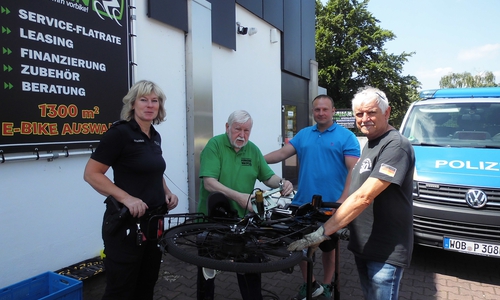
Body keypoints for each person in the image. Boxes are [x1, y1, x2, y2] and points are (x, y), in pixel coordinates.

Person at [288, 86, 415, 300]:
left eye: (371, 112)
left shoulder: (396, 146)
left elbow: (363, 196)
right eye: (359, 114)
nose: (365, 119)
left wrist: (322, 232)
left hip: (385, 250)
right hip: (364, 245)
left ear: (387, 112)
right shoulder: (371, 144)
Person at [83, 80, 179, 300]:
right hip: (126, 226)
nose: (149, 105)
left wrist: (166, 192)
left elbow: (153, 171)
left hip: (154, 223)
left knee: (146, 284)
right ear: (133, 104)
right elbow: (91, 174)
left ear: (159, 107)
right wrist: (126, 198)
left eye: (154, 101)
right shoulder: (120, 134)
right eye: (143, 100)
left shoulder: (154, 136)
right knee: (121, 289)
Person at [265, 94, 360, 300]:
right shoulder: (304, 134)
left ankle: (326, 285)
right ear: (312, 111)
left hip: (330, 205)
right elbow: (282, 154)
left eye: (325, 109)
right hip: (303, 203)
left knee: (328, 248)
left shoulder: (346, 137)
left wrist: (342, 201)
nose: (321, 113)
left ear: (333, 111)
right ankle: (311, 283)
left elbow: (354, 171)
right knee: (300, 246)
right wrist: (257, 160)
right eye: (317, 109)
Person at [196, 110, 294, 300]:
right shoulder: (214, 145)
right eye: (237, 129)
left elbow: (268, 177)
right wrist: (240, 197)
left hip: (244, 221)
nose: (242, 135)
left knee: (250, 269)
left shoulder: (253, 150)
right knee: (207, 272)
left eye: (246, 130)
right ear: (227, 127)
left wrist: (282, 183)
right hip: (212, 219)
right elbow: (209, 182)